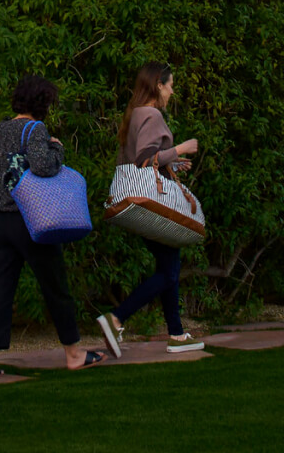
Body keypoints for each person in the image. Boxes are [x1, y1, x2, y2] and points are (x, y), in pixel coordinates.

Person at [0, 75, 104, 376]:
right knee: (56, 286)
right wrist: (56, 149)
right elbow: (43, 167)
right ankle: (74, 354)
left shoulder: (1, 128)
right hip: (31, 221)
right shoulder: (35, 129)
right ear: (43, 103)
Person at [97, 62, 207, 356]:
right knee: (169, 272)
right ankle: (116, 318)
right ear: (159, 85)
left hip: (140, 201)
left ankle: (176, 334)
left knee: (169, 269)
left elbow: (144, 158)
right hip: (153, 203)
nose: (172, 92)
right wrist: (181, 148)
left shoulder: (135, 113)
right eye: (170, 86)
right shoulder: (151, 113)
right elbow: (145, 160)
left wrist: (173, 163)